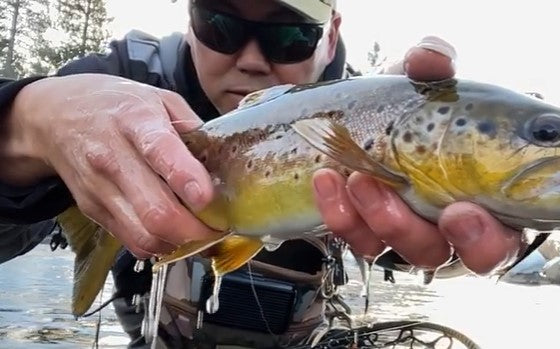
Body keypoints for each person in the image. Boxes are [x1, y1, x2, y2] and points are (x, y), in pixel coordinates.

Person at [0, 0, 524, 347]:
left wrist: (512, 206)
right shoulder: (113, 82)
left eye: (290, 35)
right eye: (222, 25)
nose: (251, 60)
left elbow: (447, 257)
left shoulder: (381, 118)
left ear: (331, 32)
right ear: (190, 17)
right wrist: (19, 125)